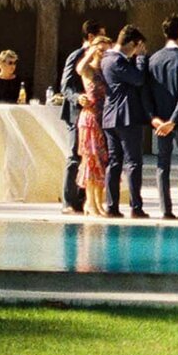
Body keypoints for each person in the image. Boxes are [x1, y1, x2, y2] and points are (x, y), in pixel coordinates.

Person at [146, 15, 178, 220]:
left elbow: (146, 93)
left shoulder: (153, 60)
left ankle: (165, 209)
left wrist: (154, 118)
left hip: (160, 121)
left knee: (162, 162)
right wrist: (174, 120)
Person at [100, 26, 150, 219]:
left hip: (110, 117)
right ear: (131, 44)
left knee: (114, 162)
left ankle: (112, 205)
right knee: (133, 162)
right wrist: (141, 59)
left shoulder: (106, 59)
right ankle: (135, 206)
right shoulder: (117, 60)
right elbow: (138, 79)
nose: (137, 51)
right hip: (126, 117)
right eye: (137, 47)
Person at [59, 20, 105, 214]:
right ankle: (69, 201)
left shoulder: (103, 58)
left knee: (95, 157)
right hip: (78, 113)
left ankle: (87, 200)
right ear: (91, 37)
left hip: (97, 113)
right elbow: (65, 85)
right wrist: (78, 97)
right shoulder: (77, 56)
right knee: (75, 156)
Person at [74, 33, 111, 217]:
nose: (103, 53)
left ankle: (98, 202)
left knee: (102, 161)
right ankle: (90, 203)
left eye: (106, 51)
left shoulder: (108, 70)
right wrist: (90, 51)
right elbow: (79, 68)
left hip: (105, 118)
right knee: (91, 161)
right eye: (101, 50)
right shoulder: (89, 69)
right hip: (90, 119)